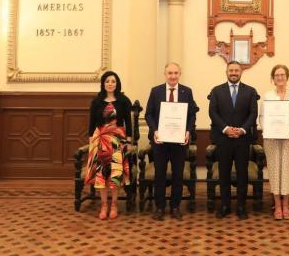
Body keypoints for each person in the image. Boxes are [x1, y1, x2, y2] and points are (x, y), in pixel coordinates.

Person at [145, 62, 197, 221]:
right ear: (165, 74)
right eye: (170, 73)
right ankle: (160, 208)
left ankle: (175, 207)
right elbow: (149, 114)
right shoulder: (156, 91)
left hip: (179, 142)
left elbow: (191, 115)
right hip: (160, 141)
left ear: (180, 74)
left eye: (176, 73)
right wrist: (155, 130)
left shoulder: (186, 92)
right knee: (159, 175)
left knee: (178, 176)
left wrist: (188, 131)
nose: (173, 76)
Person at [209, 60, 259, 219]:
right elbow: (213, 113)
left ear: (241, 72)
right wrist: (226, 129)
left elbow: (253, 114)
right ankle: (224, 205)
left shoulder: (250, 91)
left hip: (242, 139)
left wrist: (242, 130)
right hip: (223, 139)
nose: (234, 73)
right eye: (231, 70)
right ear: (226, 72)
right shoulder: (216, 91)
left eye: (236, 70)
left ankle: (241, 206)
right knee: (223, 173)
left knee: (242, 174)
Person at [85, 71, 133, 220]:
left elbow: (128, 122)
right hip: (100, 140)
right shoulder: (96, 101)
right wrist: (91, 141)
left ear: (117, 83)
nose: (110, 84)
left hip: (117, 141)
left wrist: (129, 141)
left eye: (113, 81)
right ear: (103, 84)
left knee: (115, 174)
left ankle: (114, 205)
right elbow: (92, 122)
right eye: (107, 81)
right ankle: (104, 205)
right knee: (101, 174)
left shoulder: (124, 100)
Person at [261, 64, 289, 220]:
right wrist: (268, 130)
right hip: (272, 140)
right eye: (277, 75)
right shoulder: (267, 96)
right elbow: (262, 117)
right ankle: (277, 205)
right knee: (275, 171)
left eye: (282, 75)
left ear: (287, 77)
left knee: (287, 172)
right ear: (273, 79)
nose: (280, 78)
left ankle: (286, 204)